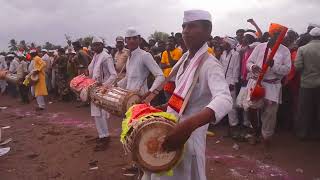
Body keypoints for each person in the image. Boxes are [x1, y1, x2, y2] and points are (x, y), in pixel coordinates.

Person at [142, 10, 232, 180]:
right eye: (184, 26)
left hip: (188, 139)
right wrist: (163, 107)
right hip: (170, 130)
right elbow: (182, 95)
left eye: (192, 26)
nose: (185, 31)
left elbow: (225, 99)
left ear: (207, 31)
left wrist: (189, 125)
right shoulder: (184, 58)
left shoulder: (211, 64)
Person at [244, 23, 291, 146]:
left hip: (273, 85)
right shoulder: (260, 47)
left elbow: (287, 70)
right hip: (257, 83)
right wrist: (253, 67)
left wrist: (273, 65)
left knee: (270, 114)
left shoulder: (285, 51)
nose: (276, 37)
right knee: (251, 108)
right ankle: (256, 131)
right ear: (270, 34)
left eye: (279, 35)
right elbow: (249, 62)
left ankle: (266, 137)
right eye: (275, 34)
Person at [118, 27, 164, 98]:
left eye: (134, 38)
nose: (131, 41)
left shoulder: (145, 55)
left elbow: (160, 76)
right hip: (128, 98)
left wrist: (150, 91)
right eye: (129, 39)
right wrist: (115, 85)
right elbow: (128, 78)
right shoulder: (129, 56)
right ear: (125, 41)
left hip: (141, 97)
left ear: (140, 40)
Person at [88, 36, 117, 151]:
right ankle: (102, 135)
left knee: (101, 113)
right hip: (94, 88)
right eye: (94, 45)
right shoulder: (95, 56)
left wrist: (104, 85)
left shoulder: (106, 57)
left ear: (102, 45)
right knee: (96, 113)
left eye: (98, 45)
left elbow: (113, 75)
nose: (96, 47)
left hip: (103, 89)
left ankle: (106, 137)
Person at [294, 27, 320, 140]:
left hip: (306, 84)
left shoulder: (302, 49)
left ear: (310, 36)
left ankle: (302, 134)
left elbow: (298, 66)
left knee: (304, 110)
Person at [220, 37, 241, 134]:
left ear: (228, 44)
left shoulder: (235, 55)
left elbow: (236, 69)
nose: (222, 45)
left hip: (230, 82)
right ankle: (228, 125)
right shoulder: (223, 54)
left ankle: (233, 125)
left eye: (224, 43)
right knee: (224, 103)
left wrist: (232, 83)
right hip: (223, 81)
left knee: (232, 105)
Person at [159, 36, 183, 100]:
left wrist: (168, 52)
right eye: (168, 41)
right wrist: (170, 65)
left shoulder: (178, 51)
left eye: (171, 41)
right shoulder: (164, 52)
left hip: (175, 80)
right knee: (168, 98)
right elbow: (162, 65)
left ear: (175, 43)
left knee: (175, 99)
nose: (169, 43)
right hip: (167, 79)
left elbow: (173, 64)